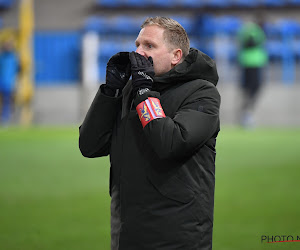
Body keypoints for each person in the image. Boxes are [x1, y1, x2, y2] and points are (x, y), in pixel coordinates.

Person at [79, 16, 220, 250]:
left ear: (176, 55)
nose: (139, 53)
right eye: (137, 45)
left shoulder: (201, 92)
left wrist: (144, 92)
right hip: (127, 230)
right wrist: (110, 91)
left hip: (178, 234)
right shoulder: (129, 91)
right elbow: (90, 146)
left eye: (149, 46)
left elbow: (171, 143)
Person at [237, 19, 268, 128]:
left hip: (253, 62)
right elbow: (249, 43)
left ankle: (246, 114)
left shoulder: (253, 30)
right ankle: (246, 115)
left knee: (251, 89)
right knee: (252, 88)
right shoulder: (253, 30)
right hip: (251, 63)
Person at [0, 40, 19, 124]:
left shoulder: (13, 58)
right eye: (6, 46)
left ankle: (6, 116)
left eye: (9, 46)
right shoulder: (1, 57)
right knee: (4, 100)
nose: (7, 47)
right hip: (2, 82)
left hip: (9, 84)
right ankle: (4, 116)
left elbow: (17, 70)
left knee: (8, 100)